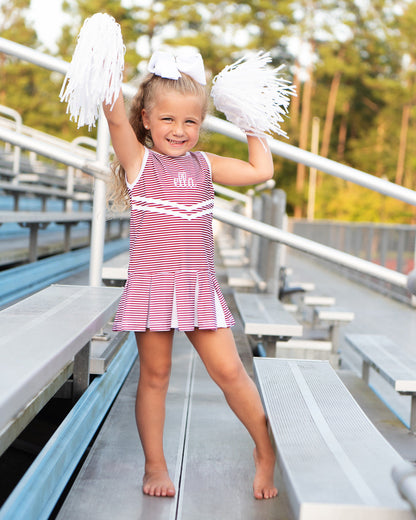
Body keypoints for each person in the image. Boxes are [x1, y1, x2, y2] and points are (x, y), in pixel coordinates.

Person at [103, 50, 278, 500]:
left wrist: (249, 118)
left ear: (201, 125)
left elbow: (262, 170)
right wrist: (108, 84)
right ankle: (155, 466)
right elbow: (116, 122)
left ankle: (265, 451)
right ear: (145, 118)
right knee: (156, 376)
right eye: (166, 120)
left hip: (198, 287)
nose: (179, 131)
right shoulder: (139, 162)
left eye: (190, 123)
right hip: (153, 286)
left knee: (231, 373)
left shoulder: (204, 165)